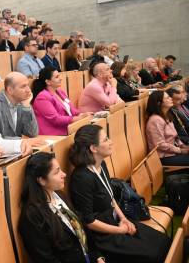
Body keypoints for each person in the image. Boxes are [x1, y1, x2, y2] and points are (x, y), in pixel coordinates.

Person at [69, 124, 170, 262]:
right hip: (101, 235)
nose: (111, 142)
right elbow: (89, 222)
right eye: (105, 140)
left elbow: (111, 197)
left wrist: (124, 219)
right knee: (153, 254)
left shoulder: (101, 164)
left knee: (163, 242)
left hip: (115, 220)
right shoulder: (81, 178)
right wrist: (120, 230)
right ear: (93, 148)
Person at [19, 152, 105, 263]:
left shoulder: (59, 195)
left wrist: (97, 257)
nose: (64, 174)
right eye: (56, 172)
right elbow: (45, 259)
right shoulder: (32, 216)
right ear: (41, 180)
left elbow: (82, 229)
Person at [32, 67, 90, 135]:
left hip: (69, 127)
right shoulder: (42, 97)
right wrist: (77, 118)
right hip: (54, 133)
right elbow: (55, 119)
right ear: (48, 81)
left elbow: (73, 110)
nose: (60, 79)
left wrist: (83, 115)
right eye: (57, 77)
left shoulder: (60, 91)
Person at [0, 72, 39, 138]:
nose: (28, 90)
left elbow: (32, 133)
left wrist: (27, 107)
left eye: (27, 85)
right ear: (10, 90)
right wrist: (21, 142)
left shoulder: (23, 101)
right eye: (23, 86)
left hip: (17, 147)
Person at [146, 91, 189, 166]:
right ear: (159, 103)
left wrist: (183, 146)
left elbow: (175, 137)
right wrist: (181, 150)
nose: (171, 99)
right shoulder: (155, 120)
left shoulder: (167, 116)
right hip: (163, 157)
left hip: (173, 152)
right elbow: (159, 145)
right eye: (167, 98)